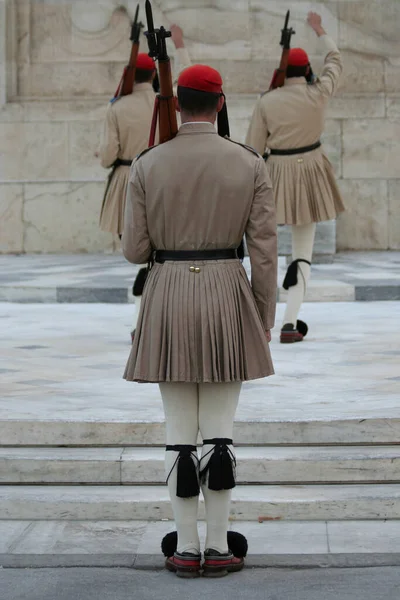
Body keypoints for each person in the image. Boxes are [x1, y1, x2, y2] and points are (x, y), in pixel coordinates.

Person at [122, 64, 277, 578]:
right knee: (220, 433)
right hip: (226, 291)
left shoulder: (148, 163)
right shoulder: (249, 162)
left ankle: (185, 546)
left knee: (178, 433)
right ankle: (219, 544)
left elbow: (134, 250)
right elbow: (264, 252)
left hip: (168, 293)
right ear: (220, 103)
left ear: (175, 103)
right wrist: (263, 316)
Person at [246, 12, 345, 344]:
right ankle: (290, 322)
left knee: (266, 252)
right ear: (306, 71)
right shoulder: (318, 93)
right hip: (312, 172)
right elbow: (335, 61)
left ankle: (262, 320)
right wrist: (320, 31)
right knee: (303, 251)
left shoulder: (267, 102)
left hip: (276, 173)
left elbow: (253, 148)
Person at [98, 26, 191, 336]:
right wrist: (179, 46)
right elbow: (189, 80)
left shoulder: (117, 108)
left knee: (139, 253)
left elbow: (107, 156)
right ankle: (149, 318)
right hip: (162, 176)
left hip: (126, 178)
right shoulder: (168, 99)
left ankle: (143, 320)